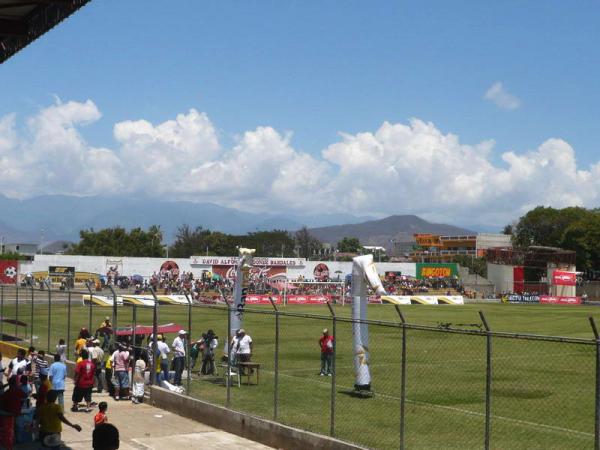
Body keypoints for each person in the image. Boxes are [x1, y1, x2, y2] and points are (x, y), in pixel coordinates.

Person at [0, 376, 26, 449]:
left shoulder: (7, 393)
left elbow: (1, 402)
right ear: (15, 384)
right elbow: (25, 396)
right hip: (17, 412)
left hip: (8, 413)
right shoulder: (18, 390)